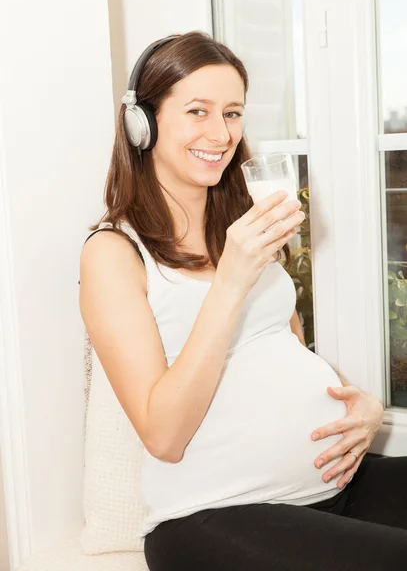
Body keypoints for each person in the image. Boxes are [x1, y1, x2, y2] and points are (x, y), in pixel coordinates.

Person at [79, 31, 407, 570]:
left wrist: (363, 406)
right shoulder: (114, 253)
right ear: (144, 124)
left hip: (328, 487)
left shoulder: (240, 229)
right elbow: (162, 435)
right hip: (210, 516)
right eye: (198, 111)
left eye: (232, 113)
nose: (221, 133)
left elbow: (285, 351)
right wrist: (231, 278)